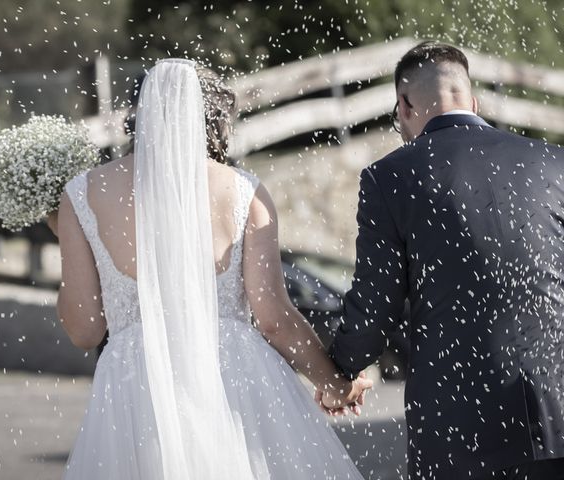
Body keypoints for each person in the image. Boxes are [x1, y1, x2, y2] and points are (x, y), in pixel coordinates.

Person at [50, 59, 371, 479]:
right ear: (214, 118)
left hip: (137, 384)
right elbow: (274, 319)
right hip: (233, 376)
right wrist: (333, 382)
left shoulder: (82, 195)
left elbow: (84, 330)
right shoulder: (243, 191)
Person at [327, 41, 564, 479]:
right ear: (472, 101)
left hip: (459, 429)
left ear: (404, 105)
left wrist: (340, 370)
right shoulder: (553, 162)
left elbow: (375, 304)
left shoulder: (390, 177)